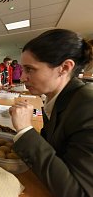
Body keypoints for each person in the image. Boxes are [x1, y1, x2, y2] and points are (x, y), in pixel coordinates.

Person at [9, 29, 93, 196]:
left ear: (65, 67)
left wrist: (25, 131)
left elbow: (79, 191)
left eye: (30, 69)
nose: (22, 78)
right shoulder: (55, 98)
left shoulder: (88, 107)